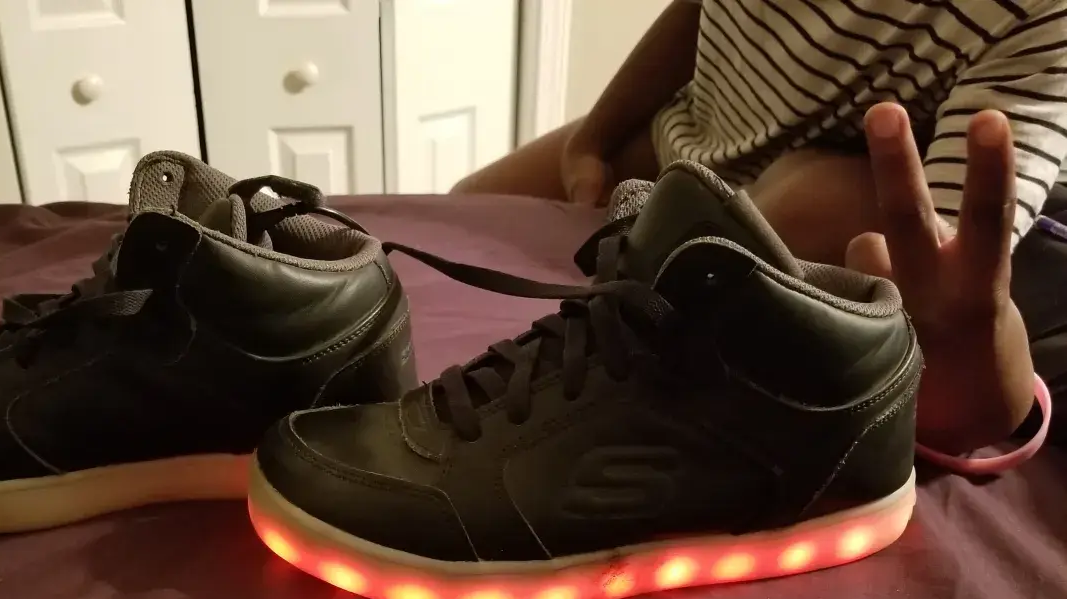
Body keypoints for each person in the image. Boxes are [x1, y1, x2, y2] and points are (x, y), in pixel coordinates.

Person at [454, 0, 1067, 456]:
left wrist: (975, 380)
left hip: (820, 179)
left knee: (804, 211)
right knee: (459, 207)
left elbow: (950, 275)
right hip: (683, 134)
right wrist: (595, 138)